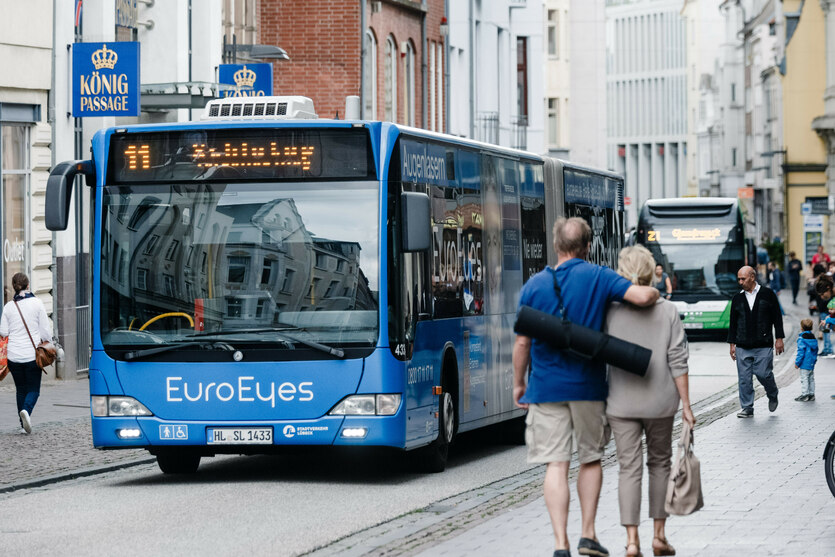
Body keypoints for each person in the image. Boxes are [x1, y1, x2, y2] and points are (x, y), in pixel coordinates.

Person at [512, 217, 659, 557]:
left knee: (556, 464)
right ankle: (588, 534)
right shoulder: (599, 276)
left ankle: (560, 543)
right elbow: (639, 296)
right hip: (588, 387)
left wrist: (519, 383)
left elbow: (522, 344)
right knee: (591, 459)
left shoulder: (534, 285)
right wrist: (655, 291)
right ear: (587, 247)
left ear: (556, 246)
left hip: (546, 388)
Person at [605, 245, 695, 557]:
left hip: (621, 402)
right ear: (651, 272)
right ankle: (659, 536)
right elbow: (678, 360)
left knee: (628, 468)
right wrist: (686, 405)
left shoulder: (610, 310)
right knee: (660, 464)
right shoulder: (668, 310)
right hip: (660, 402)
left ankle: (632, 542)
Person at [0, 273, 53, 434]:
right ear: (28, 286)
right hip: (31, 355)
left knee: (21, 390)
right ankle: (26, 411)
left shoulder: (9, 306)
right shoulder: (37, 303)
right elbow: (45, 331)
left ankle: (23, 425)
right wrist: (47, 342)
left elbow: (3, 331)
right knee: (34, 390)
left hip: (13, 357)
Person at [728, 266, 783, 418]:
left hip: (763, 344)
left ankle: (772, 393)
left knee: (763, 373)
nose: (740, 282)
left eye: (743, 279)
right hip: (742, 346)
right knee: (744, 379)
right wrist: (732, 344)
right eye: (739, 279)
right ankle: (747, 407)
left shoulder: (768, 294)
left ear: (752, 277)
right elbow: (733, 323)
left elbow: (777, 318)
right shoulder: (737, 298)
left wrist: (779, 338)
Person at [794, 318, 818, 402]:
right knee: (811, 379)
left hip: (804, 363)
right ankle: (812, 394)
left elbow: (801, 352)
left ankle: (805, 395)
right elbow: (815, 351)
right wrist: (814, 361)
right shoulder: (813, 338)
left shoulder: (801, 339)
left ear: (801, 328)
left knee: (804, 379)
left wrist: (797, 363)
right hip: (811, 363)